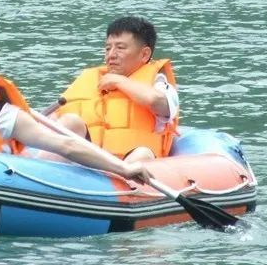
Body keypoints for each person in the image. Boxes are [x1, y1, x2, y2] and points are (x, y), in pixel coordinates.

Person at [0, 35, 153, 182]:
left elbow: (67, 145)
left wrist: (122, 168)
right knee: (70, 125)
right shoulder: (4, 113)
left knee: (71, 125)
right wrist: (123, 168)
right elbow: (64, 146)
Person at [55, 16, 180, 165]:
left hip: (130, 166)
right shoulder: (92, 79)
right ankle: (35, 175)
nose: (111, 55)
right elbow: (53, 119)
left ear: (144, 54)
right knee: (71, 121)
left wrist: (118, 80)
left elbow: (155, 101)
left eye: (120, 48)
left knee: (142, 153)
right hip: (88, 161)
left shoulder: (158, 83)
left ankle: (119, 184)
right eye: (108, 48)